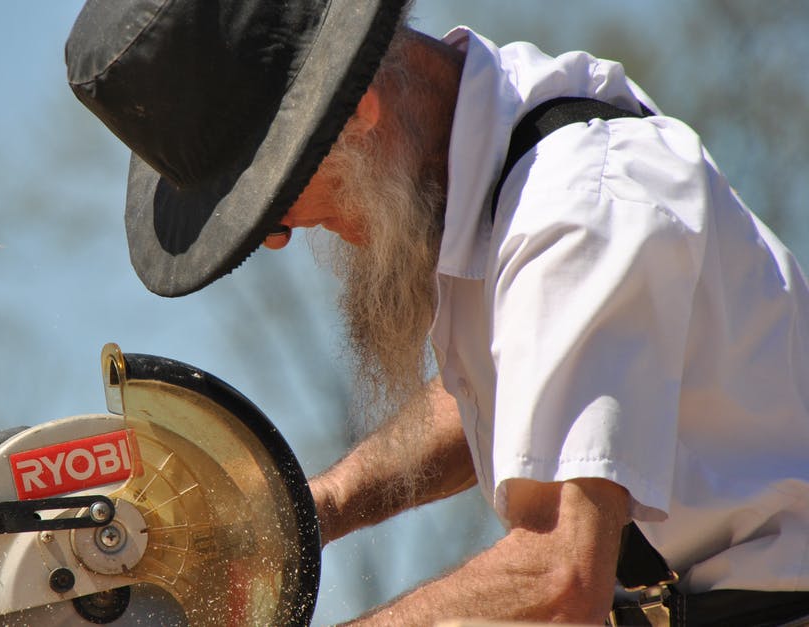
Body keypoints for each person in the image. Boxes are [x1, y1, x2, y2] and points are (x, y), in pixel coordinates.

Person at [65, 0, 809, 624]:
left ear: (359, 109)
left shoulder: (579, 208)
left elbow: (558, 580)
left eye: (269, 193)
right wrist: (311, 509)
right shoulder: (504, 165)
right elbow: (523, 393)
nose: (277, 235)